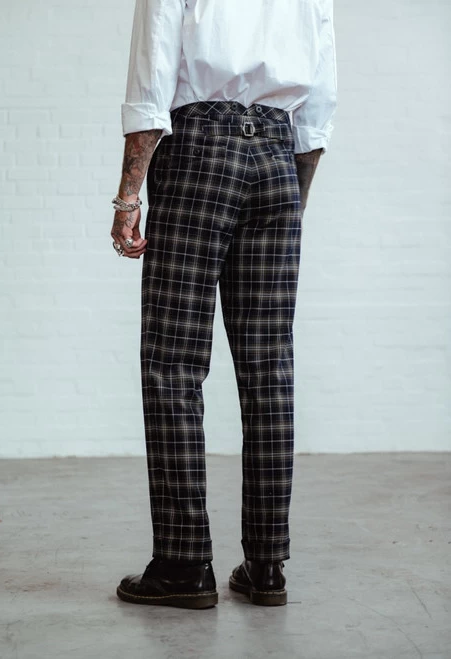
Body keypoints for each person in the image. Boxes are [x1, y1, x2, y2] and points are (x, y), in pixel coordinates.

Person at [111, 0, 337, 609]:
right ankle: (267, 566)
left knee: (174, 364)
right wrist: (288, 200)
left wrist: (128, 198)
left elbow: (151, 84)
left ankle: (183, 565)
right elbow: (318, 106)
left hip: (197, 155)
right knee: (269, 368)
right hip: (279, 160)